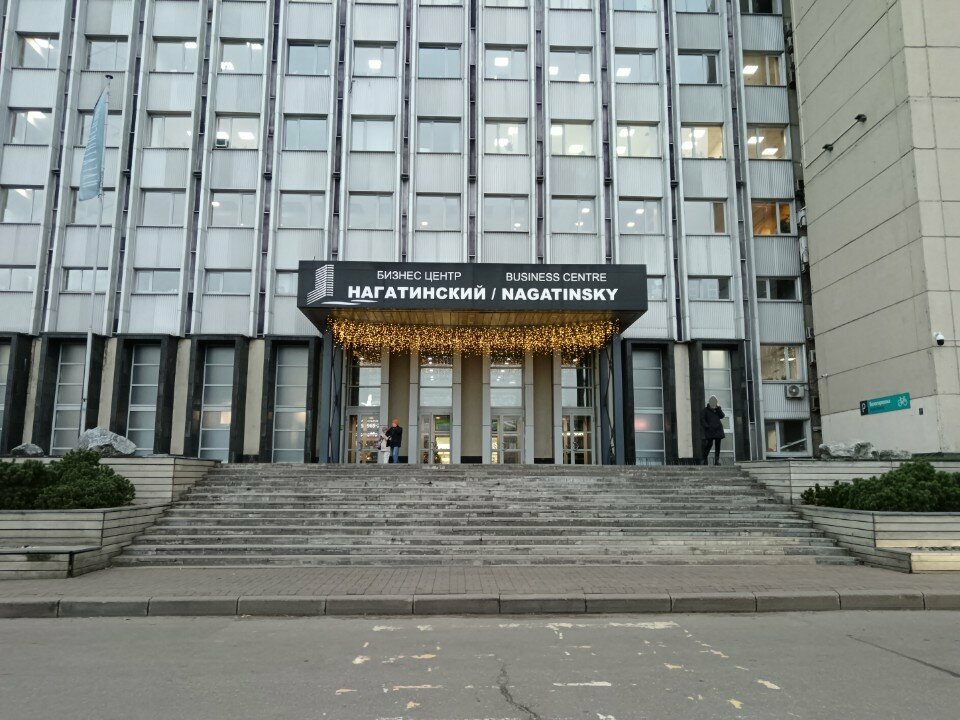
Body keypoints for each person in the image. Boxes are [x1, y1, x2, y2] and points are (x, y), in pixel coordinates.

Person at [700, 396, 725, 466]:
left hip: (718, 429)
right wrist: (707, 426)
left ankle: (716, 461)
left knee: (718, 446)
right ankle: (704, 459)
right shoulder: (705, 410)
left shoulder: (717, 410)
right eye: (713, 402)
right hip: (710, 430)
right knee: (709, 444)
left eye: (715, 402)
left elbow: (722, 416)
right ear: (710, 402)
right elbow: (702, 419)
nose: (714, 403)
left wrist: (718, 408)